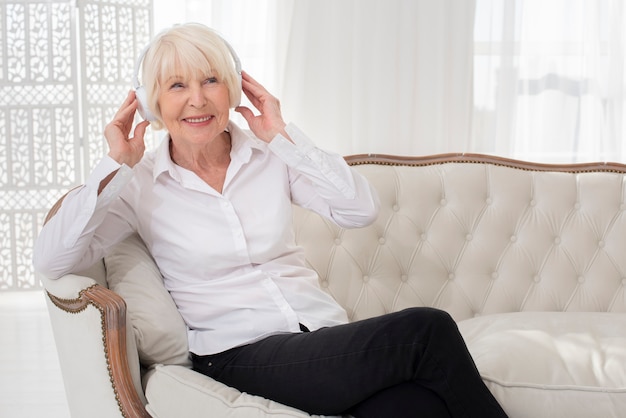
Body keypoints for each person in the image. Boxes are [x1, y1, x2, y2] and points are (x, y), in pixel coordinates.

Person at [33, 22, 507, 418]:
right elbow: (53, 259)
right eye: (177, 85)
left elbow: (358, 209)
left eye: (210, 81)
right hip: (235, 355)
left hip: (319, 339)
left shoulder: (269, 157)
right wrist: (115, 164)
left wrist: (282, 135)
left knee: (422, 407)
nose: (197, 99)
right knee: (428, 329)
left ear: (234, 88)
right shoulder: (136, 185)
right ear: (150, 101)